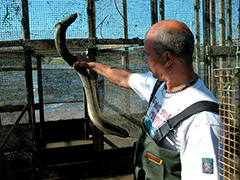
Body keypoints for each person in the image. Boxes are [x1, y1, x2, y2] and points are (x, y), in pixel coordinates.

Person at [73, 20, 219, 180]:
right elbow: (124, 78)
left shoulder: (202, 119)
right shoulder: (159, 84)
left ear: (167, 58)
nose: (144, 60)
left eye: (147, 55)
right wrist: (90, 65)